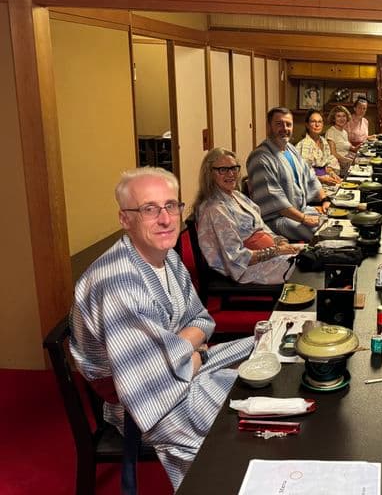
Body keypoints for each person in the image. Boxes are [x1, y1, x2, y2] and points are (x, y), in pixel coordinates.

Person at [69, 167, 252, 490]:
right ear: (125, 219)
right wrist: (192, 353)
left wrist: (180, 348)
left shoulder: (165, 256)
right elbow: (152, 377)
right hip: (140, 398)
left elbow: (202, 320)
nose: (166, 219)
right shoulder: (117, 284)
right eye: (149, 209)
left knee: (261, 350)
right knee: (240, 424)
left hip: (175, 370)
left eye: (171, 205)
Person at [195, 148, 301, 285]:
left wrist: (279, 241)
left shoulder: (236, 195)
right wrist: (276, 251)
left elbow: (261, 226)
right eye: (223, 169)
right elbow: (236, 257)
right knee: (305, 267)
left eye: (234, 168)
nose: (231, 174)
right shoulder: (215, 210)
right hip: (247, 267)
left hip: (269, 253)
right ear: (210, 173)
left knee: (317, 253)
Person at [247, 107, 331, 241]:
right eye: (279, 124)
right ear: (269, 127)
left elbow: (310, 175)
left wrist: (324, 199)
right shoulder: (261, 158)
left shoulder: (290, 148)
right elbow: (275, 200)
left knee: (335, 222)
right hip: (278, 220)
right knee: (325, 236)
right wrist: (304, 218)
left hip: (300, 211)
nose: (284, 128)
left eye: (288, 124)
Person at [296, 110, 342, 186]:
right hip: (310, 185)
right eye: (313, 122)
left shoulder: (324, 141)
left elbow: (329, 160)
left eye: (320, 122)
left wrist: (331, 173)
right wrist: (321, 179)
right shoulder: (303, 144)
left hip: (326, 180)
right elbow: (302, 173)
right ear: (307, 125)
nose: (317, 125)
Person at [326, 105, 355, 172]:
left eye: (344, 116)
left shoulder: (344, 132)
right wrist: (350, 160)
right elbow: (333, 154)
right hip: (338, 165)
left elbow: (348, 147)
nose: (342, 119)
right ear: (333, 118)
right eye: (338, 116)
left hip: (347, 160)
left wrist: (357, 148)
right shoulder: (331, 132)